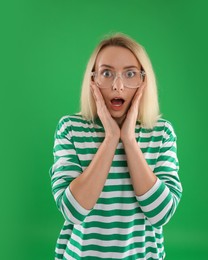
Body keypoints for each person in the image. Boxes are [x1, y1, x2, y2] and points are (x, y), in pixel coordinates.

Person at [49, 32, 183, 260]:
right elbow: (73, 211)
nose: (118, 86)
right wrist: (111, 137)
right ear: (92, 80)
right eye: (106, 73)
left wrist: (129, 140)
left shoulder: (162, 132)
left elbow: (161, 214)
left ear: (143, 80)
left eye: (130, 74)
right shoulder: (70, 128)